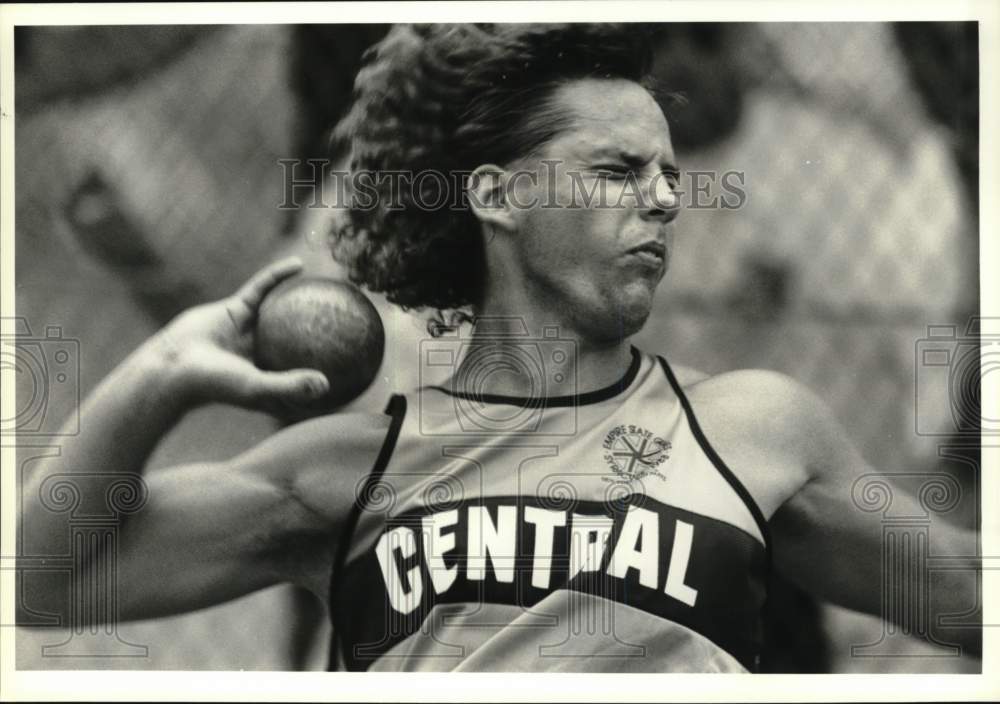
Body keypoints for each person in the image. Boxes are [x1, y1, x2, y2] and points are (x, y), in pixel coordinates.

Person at [19, 23, 980, 673]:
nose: (662, 198)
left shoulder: (754, 431)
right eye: (614, 171)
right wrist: (156, 377)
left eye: (665, 173)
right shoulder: (347, 472)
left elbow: (966, 596)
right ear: (496, 197)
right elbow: (47, 580)